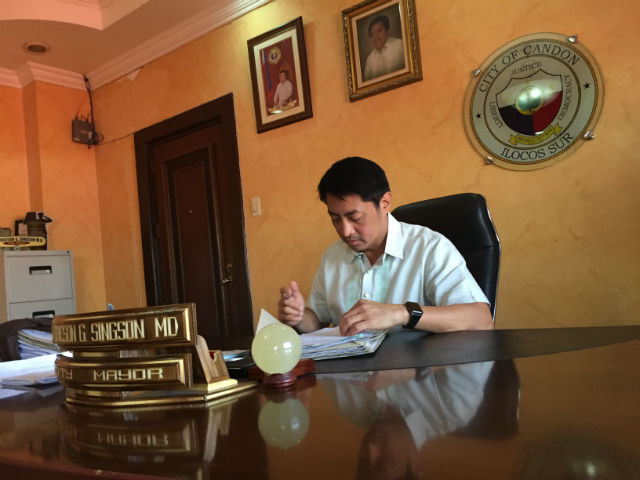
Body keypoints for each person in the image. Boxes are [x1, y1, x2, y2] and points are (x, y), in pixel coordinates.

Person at [277, 156, 493, 336]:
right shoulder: (333, 257)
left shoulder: (429, 248)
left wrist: (403, 313)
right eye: (335, 219)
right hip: (354, 380)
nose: (345, 231)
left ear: (385, 203)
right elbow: (318, 324)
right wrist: (299, 318)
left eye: (355, 217)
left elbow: (481, 320)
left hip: (418, 378)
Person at [363, 15, 405, 81]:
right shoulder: (370, 60)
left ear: (387, 30)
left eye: (379, 31)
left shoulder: (401, 45)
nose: (375, 37)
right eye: (372, 34)